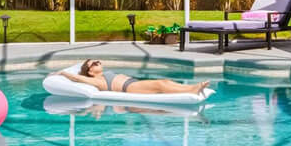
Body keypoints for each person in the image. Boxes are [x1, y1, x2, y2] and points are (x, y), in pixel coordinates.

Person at [63, 58, 210, 97]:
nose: (98, 62)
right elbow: (78, 78)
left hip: (133, 83)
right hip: (129, 87)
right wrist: (63, 73)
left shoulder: (103, 75)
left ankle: (191, 87)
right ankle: (191, 90)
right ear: (90, 72)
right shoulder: (96, 80)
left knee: (164, 82)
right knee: (160, 85)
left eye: (97, 61)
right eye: (94, 63)